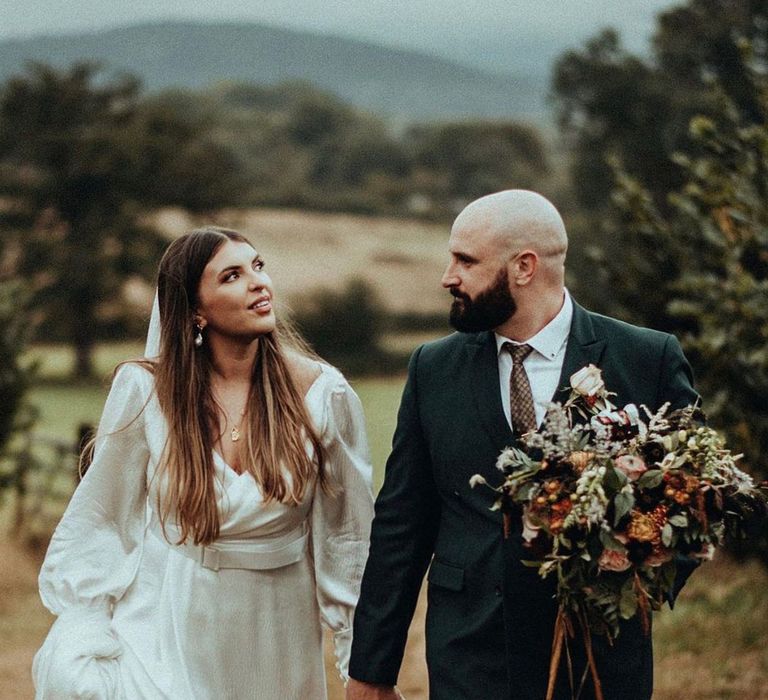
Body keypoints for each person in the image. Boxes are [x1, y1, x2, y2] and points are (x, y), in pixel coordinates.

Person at [346, 191, 699, 700]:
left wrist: (633, 575)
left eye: (465, 260)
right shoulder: (433, 368)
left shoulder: (646, 358)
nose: (449, 276)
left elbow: (696, 496)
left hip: (596, 659)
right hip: (470, 654)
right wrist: (371, 669)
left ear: (524, 267)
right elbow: (403, 523)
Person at [33, 227, 374, 699]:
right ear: (195, 310)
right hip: (165, 627)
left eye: (258, 266)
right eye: (232, 275)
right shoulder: (146, 391)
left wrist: (360, 665)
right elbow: (102, 515)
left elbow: (349, 539)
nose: (258, 283)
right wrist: (85, 625)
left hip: (275, 638)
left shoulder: (324, 394)